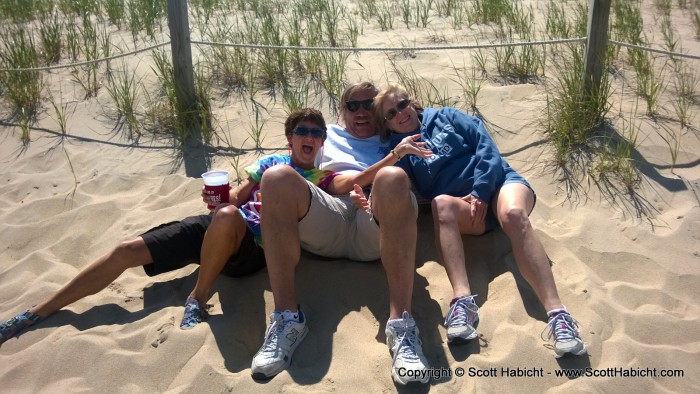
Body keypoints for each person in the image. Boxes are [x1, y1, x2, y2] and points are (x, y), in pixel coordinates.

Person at [0, 108, 372, 343]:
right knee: (127, 250)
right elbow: (236, 200)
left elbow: (352, 183)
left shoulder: (316, 177)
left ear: (322, 142)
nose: (310, 137)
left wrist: (392, 157)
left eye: (317, 133)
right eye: (303, 131)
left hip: (252, 246)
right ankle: (39, 311)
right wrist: (218, 201)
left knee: (227, 218)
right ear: (290, 138)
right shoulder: (270, 162)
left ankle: (197, 297)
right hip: (223, 225)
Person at [368, 84, 587, 358]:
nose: (401, 113)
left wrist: (482, 190)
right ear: (386, 124)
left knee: (513, 215)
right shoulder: (399, 151)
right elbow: (391, 193)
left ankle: (559, 316)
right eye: (391, 113)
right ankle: (463, 302)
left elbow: (485, 145)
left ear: (412, 103)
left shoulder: (445, 116)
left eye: (402, 104)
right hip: (468, 210)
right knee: (440, 204)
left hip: (500, 185)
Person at [250, 82, 435, 386]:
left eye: (368, 105)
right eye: (353, 105)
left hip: (375, 224)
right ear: (341, 111)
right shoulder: (327, 135)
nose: (361, 111)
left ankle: (401, 326)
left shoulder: (396, 134)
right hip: (328, 215)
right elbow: (291, 158)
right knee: (277, 176)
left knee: (392, 177)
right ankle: (287, 320)